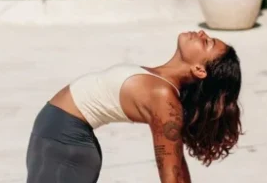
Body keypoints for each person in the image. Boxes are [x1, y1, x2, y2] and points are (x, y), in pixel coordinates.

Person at [25, 30, 242, 183]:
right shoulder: (161, 84)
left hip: (63, 141)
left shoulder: (163, 98)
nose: (202, 34)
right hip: (62, 139)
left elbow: (171, 174)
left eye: (207, 43)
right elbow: (177, 166)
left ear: (199, 70)